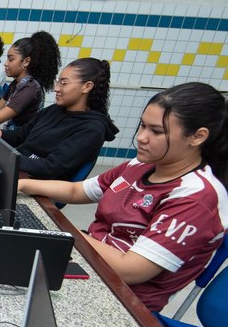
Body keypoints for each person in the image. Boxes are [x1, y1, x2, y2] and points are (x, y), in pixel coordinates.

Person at [18, 82, 228, 312]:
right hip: (90, 262)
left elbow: (130, 269)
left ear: (197, 137)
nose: (141, 137)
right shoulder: (139, 165)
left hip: (123, 300)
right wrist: (20, 184)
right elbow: (77, 191)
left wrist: (63, 234)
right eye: (142, 126)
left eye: (156, 131)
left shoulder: (196, 196)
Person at [0, 58, 118, 180]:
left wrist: (1, 154)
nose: (56, 88)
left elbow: (49, 167)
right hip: (15, 167)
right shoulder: (55, 110)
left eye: (64, 83)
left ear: (87, 86)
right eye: (58, 82)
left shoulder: (92, 129)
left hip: (33, 183)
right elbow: (19, 135)